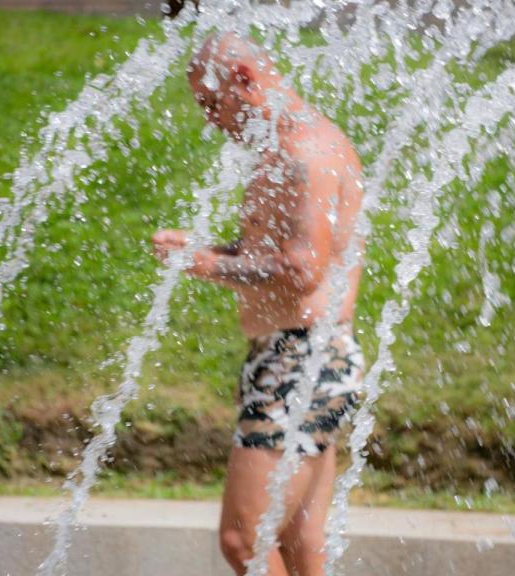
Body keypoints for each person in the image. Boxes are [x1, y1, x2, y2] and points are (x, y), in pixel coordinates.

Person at [151, 32, 365, 576]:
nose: (209, 119)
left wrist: (208, 265)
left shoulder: (303, 153)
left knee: (242, 541)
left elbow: (300, 270)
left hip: (300, 363)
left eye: (210, 102)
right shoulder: (289, 147)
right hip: (305, 359)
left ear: (244, 80)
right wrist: (208, 253)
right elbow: (279, 259)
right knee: (300, 542)